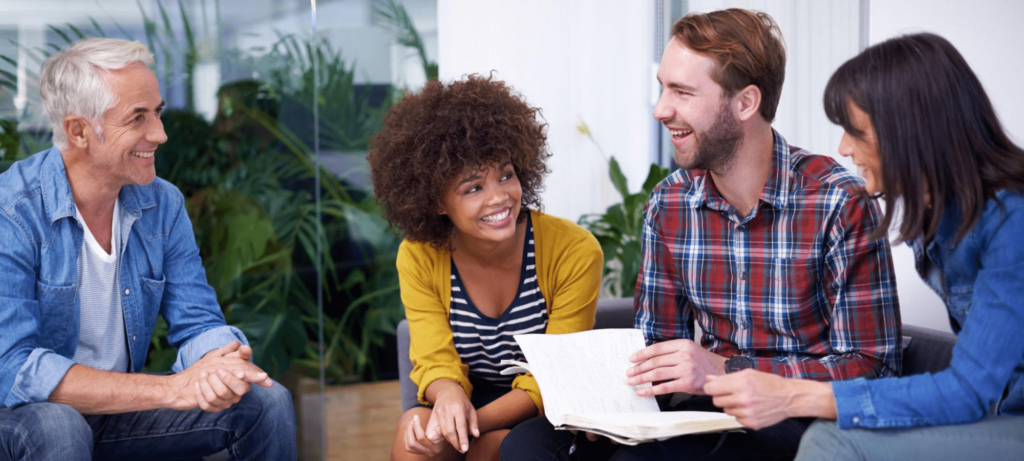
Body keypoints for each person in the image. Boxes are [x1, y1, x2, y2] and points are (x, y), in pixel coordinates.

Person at [502, 9, 902, 461]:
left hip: (792, 421)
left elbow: (874, 370)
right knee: (529, 446)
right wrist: (607, 404)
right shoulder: (669, 204)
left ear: (745, 103)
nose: (660, 109)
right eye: (662, 87)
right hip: (700, 414)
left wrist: (725, 369)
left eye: (682, 92)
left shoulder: (838, 203)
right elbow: (656, 343)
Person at [702, 32, 1024, 460]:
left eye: (856, 131)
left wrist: (792, 395)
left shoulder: (1012, 221)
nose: (843, 149)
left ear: (913, 131)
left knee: (831, 440)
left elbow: (966, 390)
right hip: (1003, 414)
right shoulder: (945, 220)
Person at [0, 38, 296, 460]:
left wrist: (222, 359)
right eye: (137, 118)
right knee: (58, 423)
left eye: (156, 112)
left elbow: (196, 321)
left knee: (264, 401)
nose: (160, 133)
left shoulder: (162, 203)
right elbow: (14, 368)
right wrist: (173, 389)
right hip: (18, 420)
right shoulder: (11, 211)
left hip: (116, 416)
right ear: (78, 130)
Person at [367, 75, 603, 461]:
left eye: (506, 175)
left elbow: (555, 378)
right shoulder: (419, 254)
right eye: (473, 188)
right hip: (465, 394)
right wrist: (447, 399)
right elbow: (433, 358)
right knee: (411, 434)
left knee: (490, 448)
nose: (499, 198)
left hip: (542, 408)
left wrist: (467, 423)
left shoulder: (573, 250)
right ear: (437, 202)